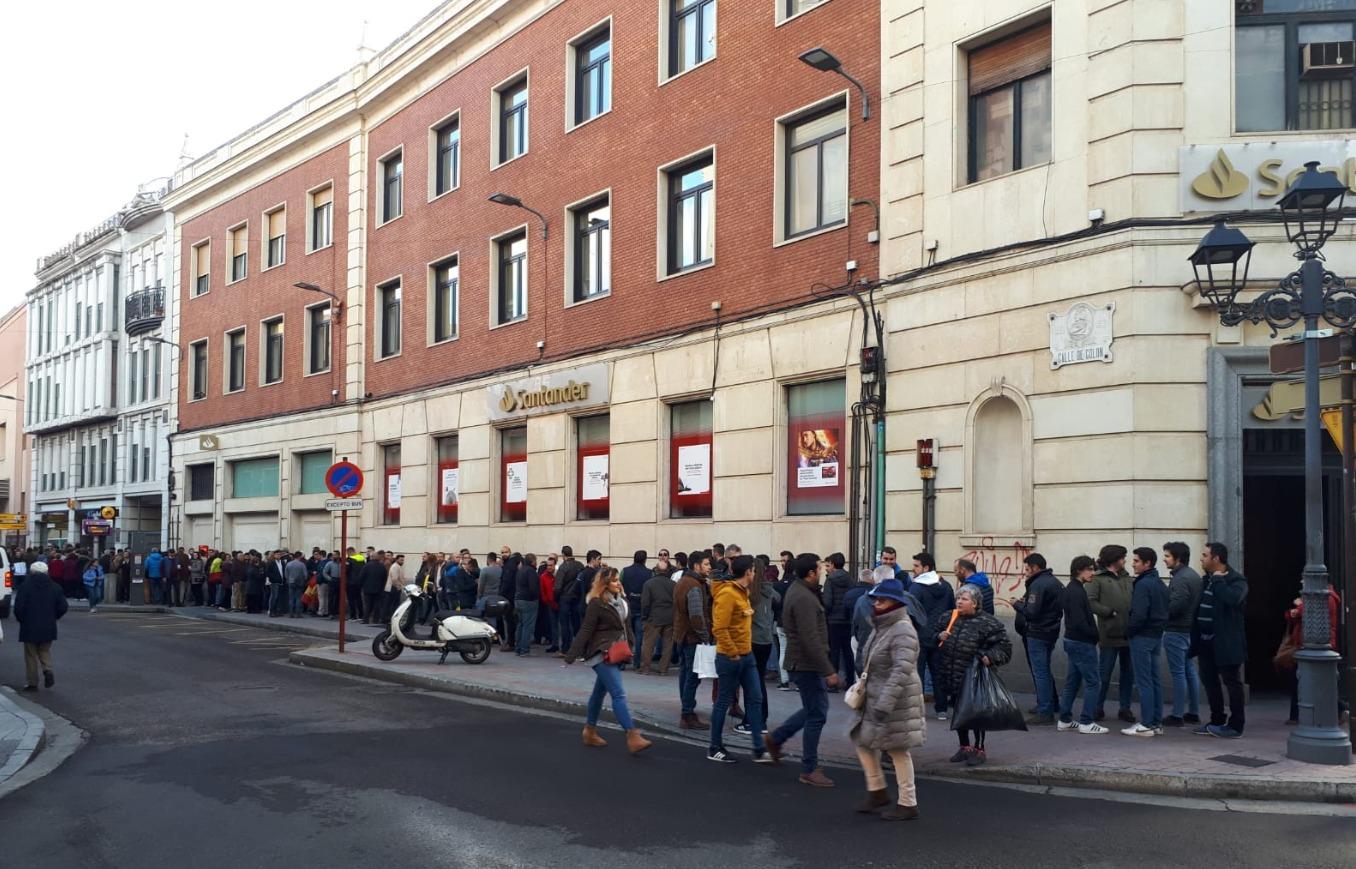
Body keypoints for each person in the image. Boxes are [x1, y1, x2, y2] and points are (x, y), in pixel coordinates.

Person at [849, 578, 925, 821]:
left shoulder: (902, 628)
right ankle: (877, 790)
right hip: (877, 695)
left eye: (881, 599)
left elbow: (902, 670)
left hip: (895, 698)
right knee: (862, 740)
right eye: (876, 598)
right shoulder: (883, 625)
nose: (876, 602)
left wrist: (885, 702)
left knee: (898, 750)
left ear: (895, 602)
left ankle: (908, 803)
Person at [766, 553, 839, 787]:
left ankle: (777, 739)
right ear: (810, 573)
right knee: (817, 713)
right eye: (819, 568)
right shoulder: (804, 598)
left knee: (813, 709)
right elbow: (810, 639)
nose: (822, 572)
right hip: (806, 664)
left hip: (803, 662)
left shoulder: (801, 592)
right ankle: (809, 768)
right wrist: (828, 670)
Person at [563, 567, 653, 755]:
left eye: (618, 580)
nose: (618, 583)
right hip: (601, 653)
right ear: (604, 584)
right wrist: (571, 654)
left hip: (616, 652)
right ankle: (632, 735)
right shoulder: (596, 603)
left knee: (599, 692)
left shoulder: (622, 601)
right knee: (618, 694)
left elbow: (625, 626)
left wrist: (632, 645)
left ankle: (590, 731)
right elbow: (586, 629)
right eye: (613, 581)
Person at [934, 584, 1013, 766]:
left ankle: (979, 749)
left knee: (976, 714)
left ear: (975, 603)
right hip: (951, 673)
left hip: (975, 676)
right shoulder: (948, 617)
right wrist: (938, 637)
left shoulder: (989, 623)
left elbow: (1004, 648)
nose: (959, 602)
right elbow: (930, 637)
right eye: (958, 598)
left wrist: (990, 657)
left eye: (964, 599)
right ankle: (964, 747)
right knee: (958, 711)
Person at [707, 555, 771, 763]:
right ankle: (715, 747)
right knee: (724, 701)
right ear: (748, 572)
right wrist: (733, 652)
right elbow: (720, 628)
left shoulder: (744, 592)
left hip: (747, 654)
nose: (755, 573)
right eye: (753, 570)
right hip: (730, 657)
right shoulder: (727, 594)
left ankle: (759, 748)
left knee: (755, 698)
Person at [1194, 542, 1248, 738]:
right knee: (1209, 681)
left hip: (1226, 642)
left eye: (1205, 555)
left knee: (1232, 683)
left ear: (1216, 558)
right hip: (1206, 642)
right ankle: (1216, 720)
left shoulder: (1236, 580)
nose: (1201, 558)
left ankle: (1236, 725)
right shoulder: (1206, 579)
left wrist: (1218, 581)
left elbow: (1231, 599)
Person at [1057, 556, 1107, 734]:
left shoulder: (1073, 589)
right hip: (1081, 642)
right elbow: (1079, 621)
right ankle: (1087, 721)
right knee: (1093, 682)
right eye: (1089, 569)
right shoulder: (1076, 591)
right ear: (1079, 570)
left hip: (1073, 640)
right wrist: (1094, 635)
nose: (1092, 573)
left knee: (1073, 681)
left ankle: (1064, 719)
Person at [1012, 553, 1062, 726]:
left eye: (1027, 569)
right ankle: (1050, 703)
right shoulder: (1054, 581)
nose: (1025, 572)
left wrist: (1017, 604)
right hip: (1050, 631)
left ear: (1035, 567)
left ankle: (1045, 710)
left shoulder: (1039, 584)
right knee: (1045, 670)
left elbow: (1032, 612)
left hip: (1038, 632)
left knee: (1040, 672)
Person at [1123, 547, 1169, 737]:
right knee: (1154, 679)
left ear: (1147, 563)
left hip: (1142, 636)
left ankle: (1147, 723)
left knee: (1144, 681)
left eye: (1136, 561)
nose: (1132, 564)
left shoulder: (1143, 584)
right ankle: (1156, 722)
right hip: (1156, 635)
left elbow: (1139, 614)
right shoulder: (1159, 582)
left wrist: (1130, 631)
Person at [1087, 544, 1135, 723]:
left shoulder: (1126, 578)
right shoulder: (1097, 579)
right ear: (1114, 559)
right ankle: (1096, 707)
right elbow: (1090, 602)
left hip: (1129, 634)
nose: (1125, 560)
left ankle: (1125, 708)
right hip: (1109, 633)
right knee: (1104, 674)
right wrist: (1108, 611)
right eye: (1123, 557)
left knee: (1128, 675)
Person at [910, 552, 955, 719]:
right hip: (940, 635)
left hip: (920, 635)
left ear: (926, 567)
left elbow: (910, 612)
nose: (913, 569)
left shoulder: (916, 587)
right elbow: (952, 610)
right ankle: (941, 709)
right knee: (938, 673)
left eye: (916, 566)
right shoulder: (946, 586)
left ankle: (917, 710)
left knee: (917, 674)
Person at [1162, 541, 1203, 727]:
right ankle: (1193, 711)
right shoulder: (1193, 575)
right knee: (1189, 671)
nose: (1164, 559)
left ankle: (1177, 715)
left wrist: (1161, 613)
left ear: (1178, 558)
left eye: (1167, 556)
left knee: (1179, 672)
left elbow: (1177, 605)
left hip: (1177, 630)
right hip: (1188, 630)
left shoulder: (1181, 578)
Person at [14, 561, 68, 692]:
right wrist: (55, 616)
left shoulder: (25, 586)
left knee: (30, 654)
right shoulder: (55, 587)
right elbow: (63, 606)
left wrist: (22, 619)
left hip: (29, 625)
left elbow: (18, 608)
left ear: (31, 572)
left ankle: (32, 682)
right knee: (44, 650)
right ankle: (47, 669)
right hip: (48, 624)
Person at [673, 550, 713, 729]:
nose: (709, 567)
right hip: (691, 637)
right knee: (692, 676)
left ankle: (686, 708)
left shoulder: (683, 581)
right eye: (706, 564)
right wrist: (705, 636)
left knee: (685, 674)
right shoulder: (694, 585)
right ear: (696, 566)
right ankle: (687, 713)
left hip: (682, 635)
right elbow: (696, 615)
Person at [822, 552, 855, 690]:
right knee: (848, 652)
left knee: (833, 652)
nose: (827, 569)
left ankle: (833, 683)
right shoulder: (850, 579)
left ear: (834, 564)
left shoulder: (830, 580)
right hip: (847, 620)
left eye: (829, 565)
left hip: (833, 621)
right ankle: (850, 681)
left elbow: (828, 602)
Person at [638, 562, 677, 675]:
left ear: (656, 570)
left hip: (653, 617)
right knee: (668, 644)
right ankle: (663, 669)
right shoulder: (673, 584)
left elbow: (645, 603)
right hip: (670, 617)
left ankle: (645, 668)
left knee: (648, 643)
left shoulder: (649, 584)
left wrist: (644, 617)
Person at [621, 551, 652, 665]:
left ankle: (623, 660)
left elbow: (619, 586)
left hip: (627, 606)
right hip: (641, 608)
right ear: (645, 560)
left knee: (626, 635)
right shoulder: (650, 573)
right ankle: (637, 662)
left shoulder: (625, 571)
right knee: (639, 636)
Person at [514, 554, 540, 656]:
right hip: (529, 601)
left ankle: (518, 648)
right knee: (527, 626)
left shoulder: (520, 570)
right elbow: (533, 588)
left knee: (520, 624)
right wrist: (536, 597)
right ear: (532, 561)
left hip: (518, 599)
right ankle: (524, 649)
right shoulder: (531, 571)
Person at [361, 551, 389, 625]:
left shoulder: (366, 566)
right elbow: (385, 577)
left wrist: (362, 585)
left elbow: (361, 577)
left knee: (367, 605)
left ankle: (366, 620)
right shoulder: (382, 566)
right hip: (379, 589)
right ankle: (375, 619)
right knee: (377, 605)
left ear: (371, 557)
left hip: (367, 589)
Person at [285, 551, 309, 618]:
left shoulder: (289, 564)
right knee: (298, 598)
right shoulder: (302, 564)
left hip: (291, 582)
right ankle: (298, 613)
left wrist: (288, 580)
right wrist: (304, 580)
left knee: (291, 598)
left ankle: (291, 613)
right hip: (299, 583)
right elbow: (305, 575)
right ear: (299, 556)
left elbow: (286, 574)